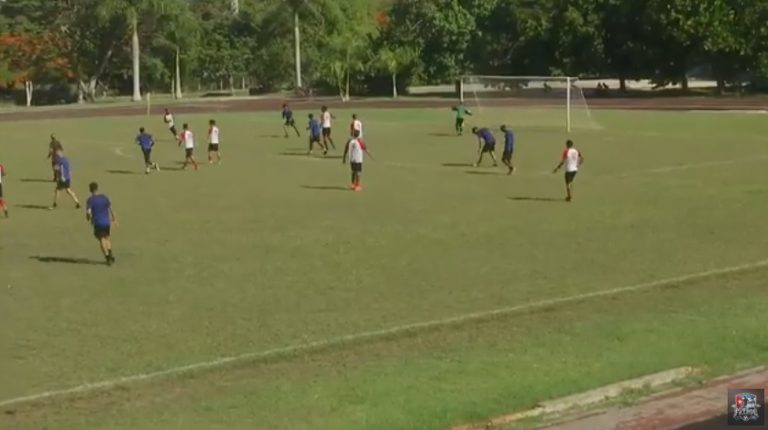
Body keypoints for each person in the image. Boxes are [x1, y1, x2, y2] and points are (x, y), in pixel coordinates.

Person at [86, 182, 117, 266]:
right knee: (107, 237)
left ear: (90, 190)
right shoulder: (104, 197)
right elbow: (110, 208)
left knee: (102, 239)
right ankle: (110, 253)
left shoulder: (90, 200)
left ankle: (107, 257)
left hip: (98, 222)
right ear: (97, 188)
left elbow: (88, 212)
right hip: (107, 221)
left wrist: (88, 218)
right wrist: (114, 218)